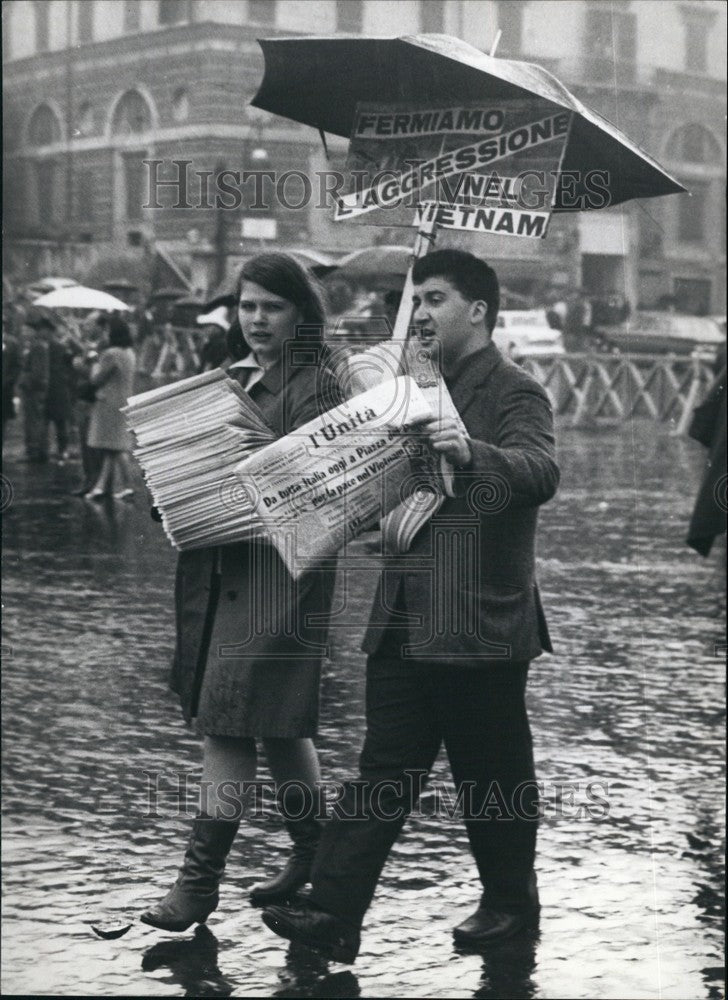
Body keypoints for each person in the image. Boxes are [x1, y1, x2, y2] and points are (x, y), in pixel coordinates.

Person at [261, 249, 560, 962]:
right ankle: (333, 912)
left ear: (479, 310)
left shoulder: (516, 390)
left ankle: (509, 904)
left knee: (490, 776)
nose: (420, 313)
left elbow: (541, 472)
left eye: (435, 299)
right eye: (415, 301)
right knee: (382, 770)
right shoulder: (407, 388)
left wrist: (472, 450)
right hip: (400, 613)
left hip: (477, 617)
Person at [141, 252, 341, 933]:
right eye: (247, 305)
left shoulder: (318, 388)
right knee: (280, 727)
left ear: (300, 314)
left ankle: (198, 885)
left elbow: (313, 486)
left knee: (225, 725)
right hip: (219, 574)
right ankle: (314, 852)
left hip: (277, 582)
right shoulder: (230, 378)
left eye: (272, 307)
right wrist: (171, 494)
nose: (256, 319)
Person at [84, 315, 137, 500]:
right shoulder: (129, 353)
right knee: (112, 447)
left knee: (116, 447)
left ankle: (128, 486)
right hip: (122, 401)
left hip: (108, 403)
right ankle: (101, 486)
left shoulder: (111, 354)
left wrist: (93, 362)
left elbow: (96, 379)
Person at [17, 308, 53, 462]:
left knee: (33, 421)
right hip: (34, 390)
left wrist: (24, 380)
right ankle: (37, 450)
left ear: (34, 331)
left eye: (27, 330)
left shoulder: (37, 347)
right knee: (34, 420)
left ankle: (34, 451)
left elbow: (38, 373)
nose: (24, 333)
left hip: (34, 390)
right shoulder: (34, 345)